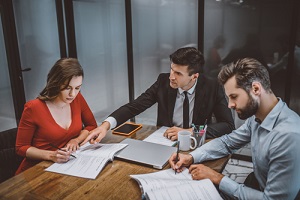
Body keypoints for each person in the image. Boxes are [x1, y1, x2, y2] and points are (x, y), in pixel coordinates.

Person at [169, 58, 300, 200]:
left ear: (256, 89)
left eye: (234, 97)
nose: (230, 105)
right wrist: (191, 157)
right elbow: (227, 142)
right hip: (255, 183)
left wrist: (218, 178)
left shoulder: (289, 136)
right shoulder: (257, 118)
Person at [82, 47, 234, 145]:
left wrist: (192, 132)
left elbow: (228, 125)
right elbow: (134, 106)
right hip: (164, 142)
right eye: (171, 70)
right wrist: (105, 125)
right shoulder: (163, 81)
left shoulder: (212, 87)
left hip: (195, 143)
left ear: (194, 76)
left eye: (178, 73)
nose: (171, 77)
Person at [15, 58, 97, 174]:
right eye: (67, 88)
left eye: (77, 88)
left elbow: (92, 126)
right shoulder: (33, 108)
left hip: (66, 167)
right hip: (35, 172)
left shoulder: (77, 99)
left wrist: (76, 140)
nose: (72, 94)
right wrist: (51, 155)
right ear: (56, 83)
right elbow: (21, 148)